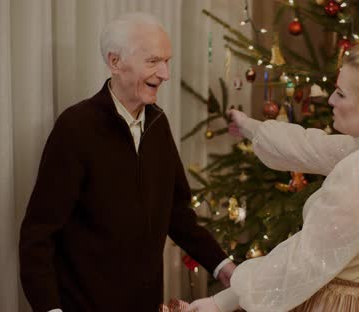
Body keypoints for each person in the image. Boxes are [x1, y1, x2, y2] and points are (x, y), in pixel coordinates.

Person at [188, 30, 359, 312]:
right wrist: (251, 127)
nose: (331, 101)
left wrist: (223, 301)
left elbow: (305, 258)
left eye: (340, 93)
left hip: (337, 303)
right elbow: (312, 147)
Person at [19, 12, 235, 312]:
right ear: (115, 62)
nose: (165, 74)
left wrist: (223, 267)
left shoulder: (158, 123)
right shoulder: (75, 127)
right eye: (153, 61)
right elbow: (38, 235)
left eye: (167, 61)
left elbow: (178, 214)